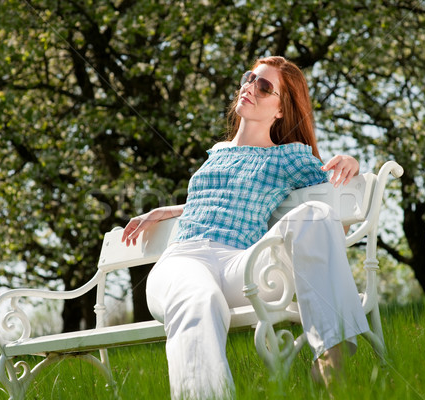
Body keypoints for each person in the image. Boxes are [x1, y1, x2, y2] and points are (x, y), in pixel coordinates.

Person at [121, 56, 370, 399]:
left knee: (313, 213)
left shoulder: (289, 157)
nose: (250, 87)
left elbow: (330, 212)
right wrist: (171, 209)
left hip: (241, 267)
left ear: (281, 110)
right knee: (199, 297)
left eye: (264, 86)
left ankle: (331, 357)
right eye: (249, 78)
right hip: (183, 262)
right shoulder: (217, 152)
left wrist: (352, 164)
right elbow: (220, 197)